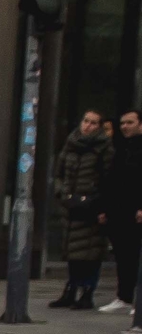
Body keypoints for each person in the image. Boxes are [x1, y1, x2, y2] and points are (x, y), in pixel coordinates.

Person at [48, 110, 113, 309]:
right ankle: (71, 290)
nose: (88, 126)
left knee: (90, 253)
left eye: (94, 123)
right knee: (72, 252)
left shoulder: (104, 148)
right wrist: (62, 193)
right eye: (86, 121)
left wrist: (100, 205)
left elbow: (109, 180)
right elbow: (58, 174)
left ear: (100, 127)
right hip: (71, 205)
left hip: (92, 207)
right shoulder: (71, 144)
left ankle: (87, 292)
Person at [105, 110, 142, 312]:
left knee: (135, 255)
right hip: (119, 209)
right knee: (123, 255)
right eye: (122, 123)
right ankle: (124, 296)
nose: (125, 126)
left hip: (135, 210)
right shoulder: (121, 147)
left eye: (130, 122)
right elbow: (113, 179)